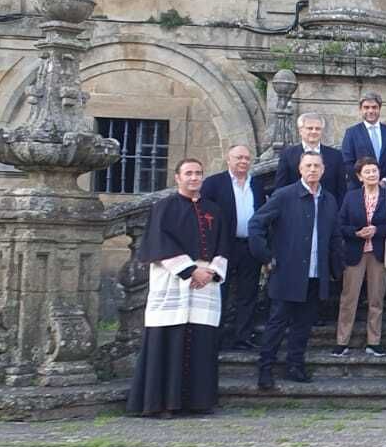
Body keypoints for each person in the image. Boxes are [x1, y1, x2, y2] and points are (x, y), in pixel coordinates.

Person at [130, 158, 230, 417]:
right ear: (177, 177)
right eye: (189, 173)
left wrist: (211, 272)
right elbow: (158, 242)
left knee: (201, 339)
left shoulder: (214, 209)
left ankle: (197, 402)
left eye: (198, 173)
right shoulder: (163, 207)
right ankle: (163, 403)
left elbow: (223, 244)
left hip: (205, 283)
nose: (194, 178)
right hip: (173, 280)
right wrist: (190, 270)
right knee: (169, 339)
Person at [250, 151, 342, 390]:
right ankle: (265, 368)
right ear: (300, 169)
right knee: (277, 323)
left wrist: (336, 268)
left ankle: (295, 366)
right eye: (308, 166)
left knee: (303, 325)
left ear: (323, 170)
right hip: (287, 272)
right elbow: (257, 224)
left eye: (317, 166)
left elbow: (334, 236)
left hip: (315, 274)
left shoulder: (329, 200)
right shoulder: (284, 195)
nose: (312, 170)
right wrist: (266, 256)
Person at [333, 158, 386, 358]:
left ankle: (374, 341)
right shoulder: (351, 197)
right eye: (367, 172)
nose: (372, 174)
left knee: (376, 298)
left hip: (379, 253)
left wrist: (377, 230)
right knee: (348, 298)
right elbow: (340, 224)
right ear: (359, 176)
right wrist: (356, 233)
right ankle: (342, 341)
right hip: (355, 252)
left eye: (374, 170)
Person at [201, 144, 265, 351]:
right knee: (219, 292)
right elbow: (203, 216)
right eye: (238, 157)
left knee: (248, 293)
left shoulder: (256, 184)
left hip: (249, 247)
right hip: (223, 247)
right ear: (228, 159)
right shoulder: (213, 184)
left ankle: (242, 337)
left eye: (246, 158)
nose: (243, 161)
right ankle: (214, 338)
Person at [273, 113, 345, 202]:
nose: (314, 131)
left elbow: (341, 189)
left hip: (326, 206)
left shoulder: (336, 155)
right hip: (296, 206)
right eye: (310, 128)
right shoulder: (287, 155)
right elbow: (280, 187)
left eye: (318, 129)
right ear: (300, 131)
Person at [341, 92, 386, 180]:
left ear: (379, 108)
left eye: (374, 107)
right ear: (360, 109)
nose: (371, 111)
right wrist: (365, 180)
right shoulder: (351, 133)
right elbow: (347, 162)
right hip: (360, 185)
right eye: (366, 107)